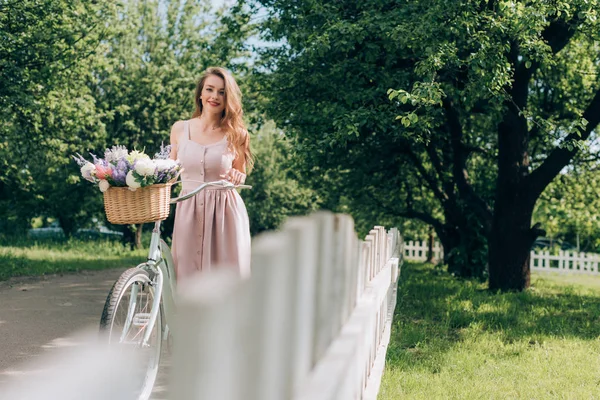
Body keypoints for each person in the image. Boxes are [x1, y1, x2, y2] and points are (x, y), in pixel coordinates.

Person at [169, 67, 252, 280]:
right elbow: (169, 172)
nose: (215, 96)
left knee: (226, 281)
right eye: (210, 89)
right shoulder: (180, 129)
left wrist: (238, 175)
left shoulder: (238, 134)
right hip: (188, 210)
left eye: (222, 92)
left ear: (228, 98)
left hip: (225, 214)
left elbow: (240, 173)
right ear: (200, 93)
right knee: (186, 276)